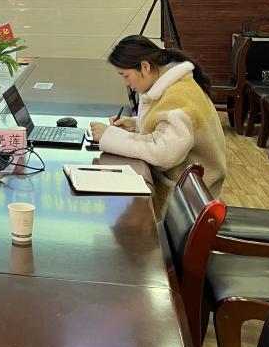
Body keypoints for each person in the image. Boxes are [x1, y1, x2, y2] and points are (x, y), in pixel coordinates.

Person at [89, 35, 227, 214]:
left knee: (119, 211)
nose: (126, 83)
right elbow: (170, 126)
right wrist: (135, 125)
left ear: (145, 67)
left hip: (189, 203)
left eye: (125, 75)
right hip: (188, 190)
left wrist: (110, 136)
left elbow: (164, 152)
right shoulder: (173, 84)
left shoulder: (179, 96)